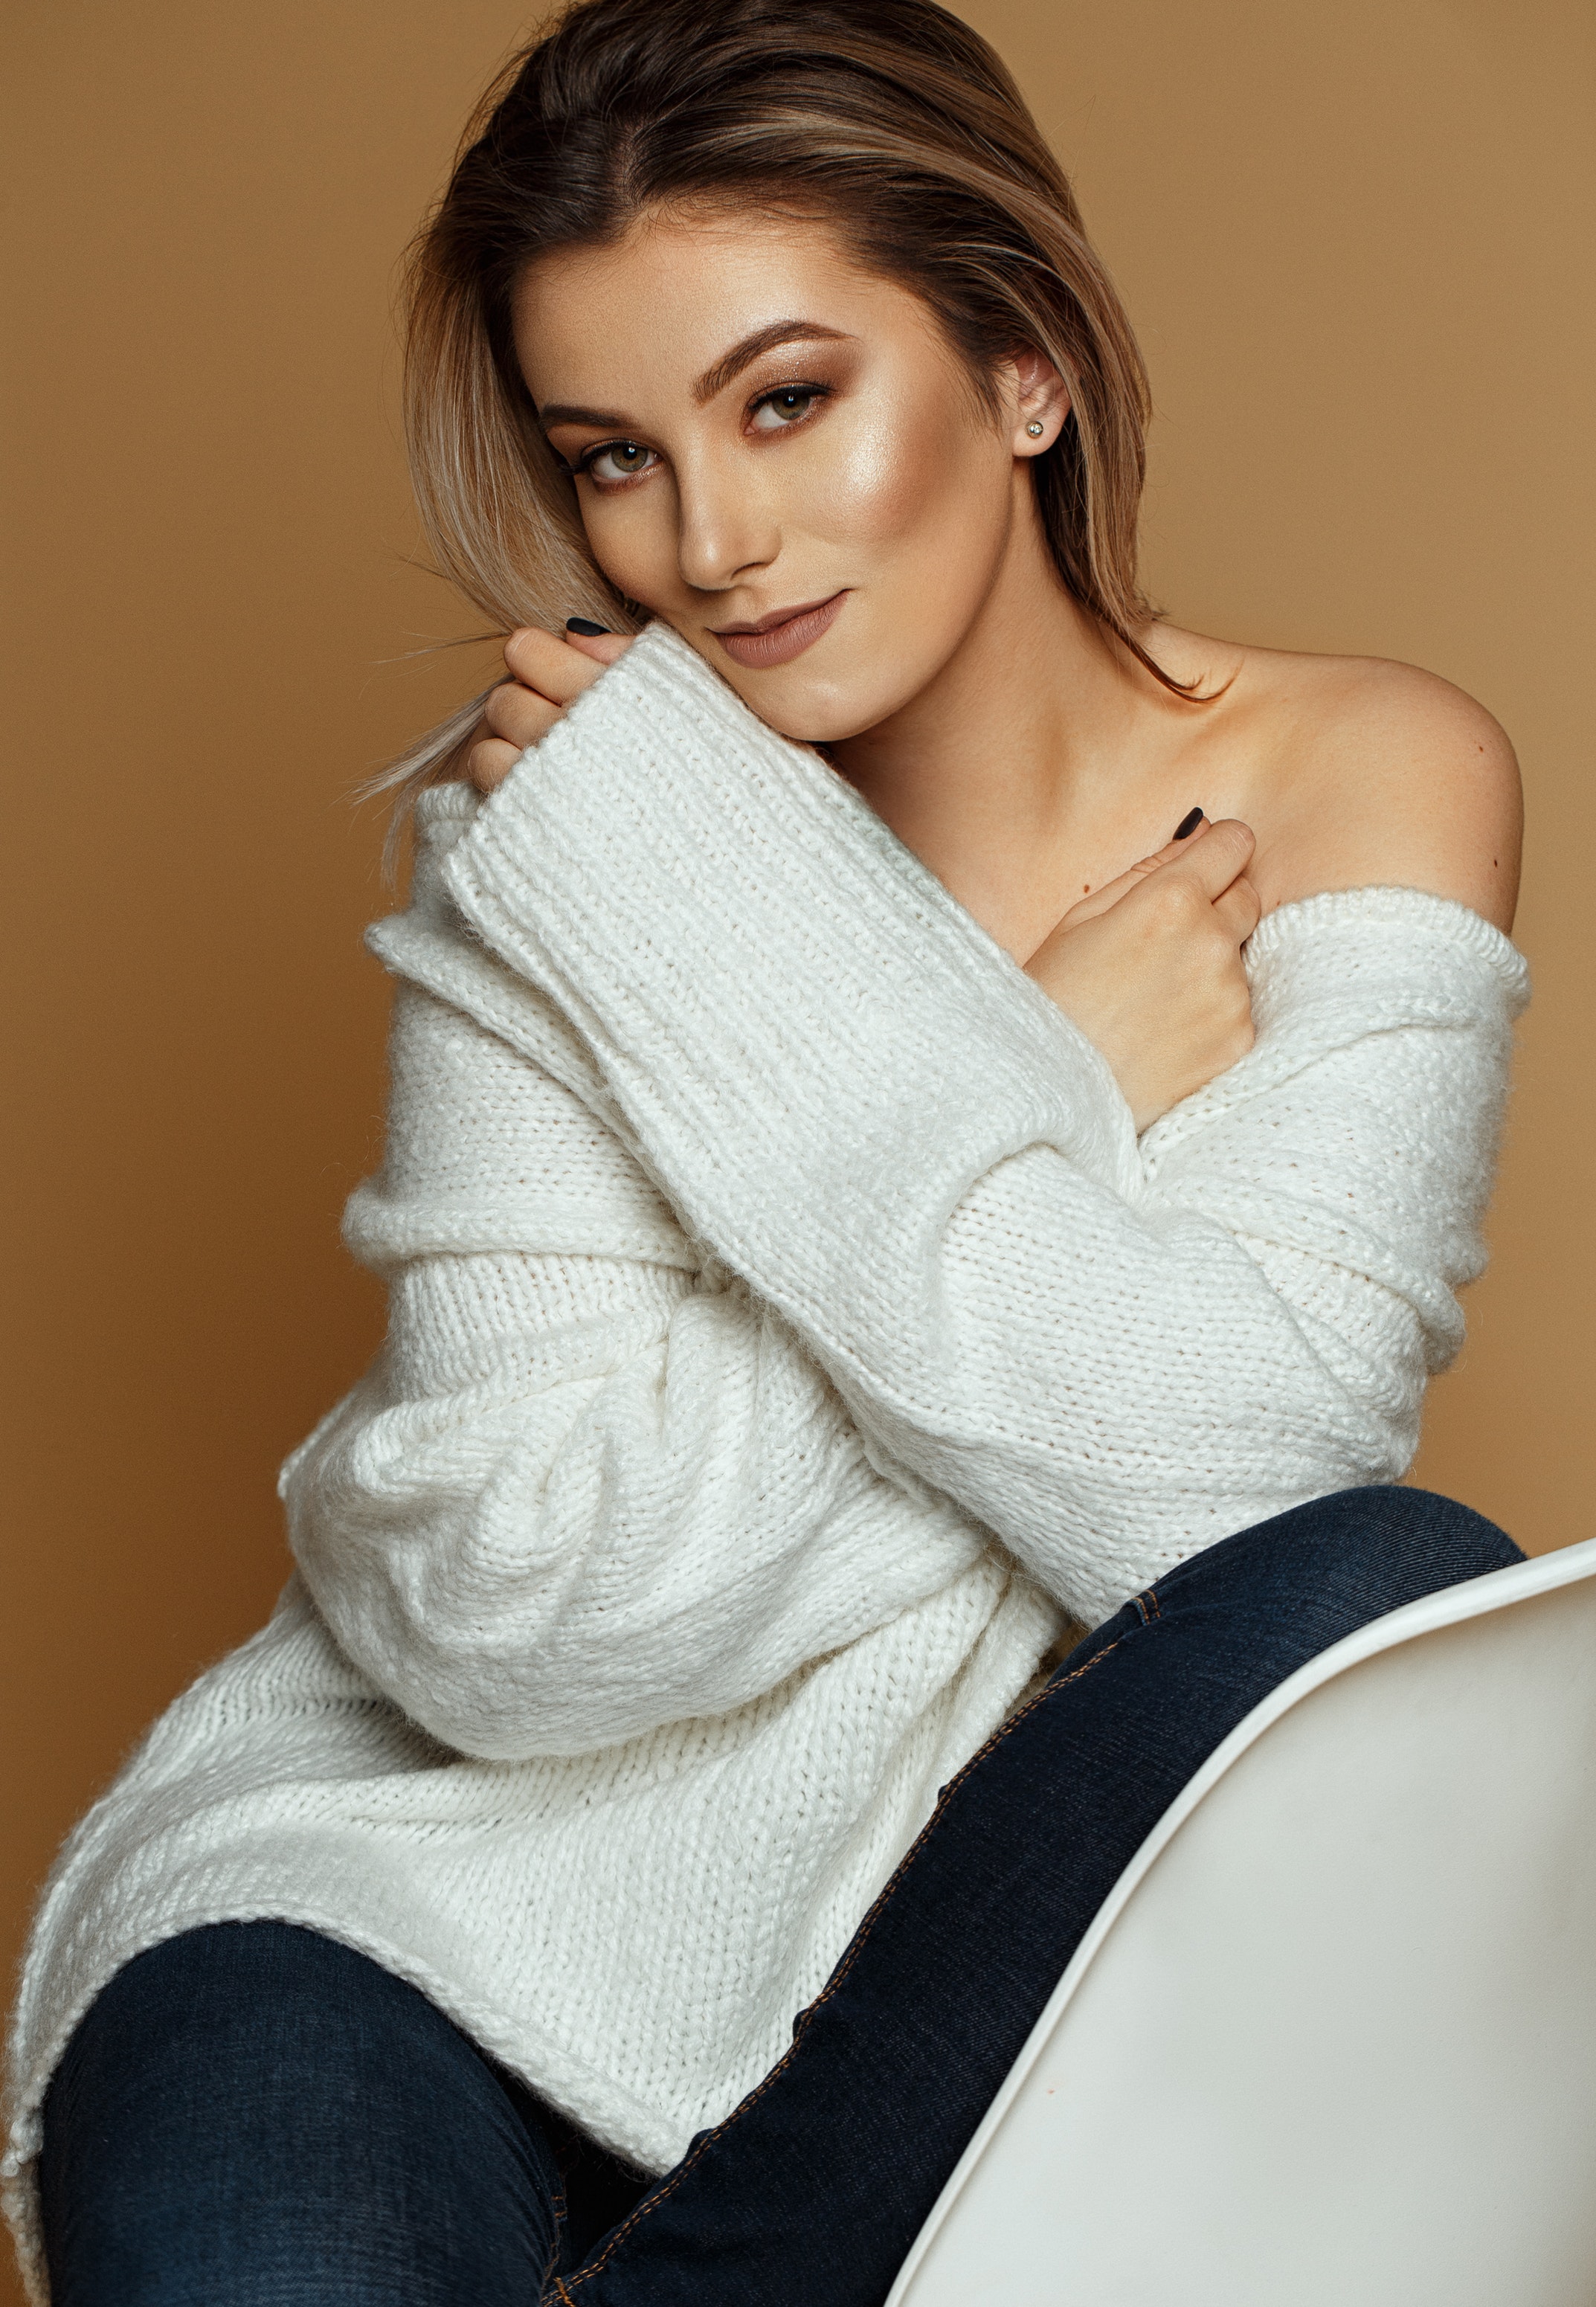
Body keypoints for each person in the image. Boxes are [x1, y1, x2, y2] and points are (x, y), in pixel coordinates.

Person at [6, 1, 1529, 2301]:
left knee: (1379, 1586)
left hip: (946, 1991)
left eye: (787, 401)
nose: (709, 543)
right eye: (613, 456)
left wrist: (831, 1013)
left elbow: (1239, 1503)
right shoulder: (579, 836)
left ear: (1022, 366)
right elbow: (504, 1616)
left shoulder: (1360, 777)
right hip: (390, 1908)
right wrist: (1040, 1059)